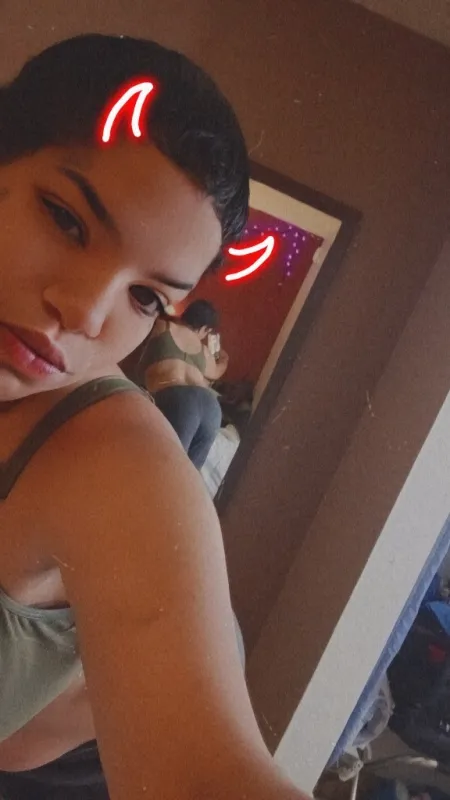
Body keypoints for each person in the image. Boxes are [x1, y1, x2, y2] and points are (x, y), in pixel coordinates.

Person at [0, 33, 308, 800]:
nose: (84, 312)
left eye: (146, 298)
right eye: (67, 220)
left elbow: (204, 774)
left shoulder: (109, 458)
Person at [138, 298, 228, 468]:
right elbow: (217, 372)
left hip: (178, 399)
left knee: (165, 468)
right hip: (211, 406)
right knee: (187, 475)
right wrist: (224, 358)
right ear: (205, 329)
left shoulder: (163, 326)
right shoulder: (205, 352)